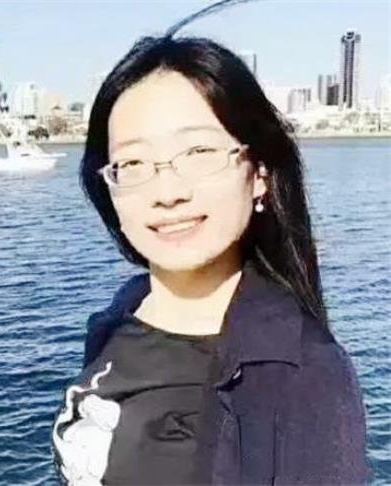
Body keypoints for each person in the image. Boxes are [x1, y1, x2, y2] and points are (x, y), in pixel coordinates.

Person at [50, 28, 372, 486]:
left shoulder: (302, 375)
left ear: (259, 173)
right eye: (134, 163)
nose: (167, 192)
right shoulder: (124, 312)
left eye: (199, 152)